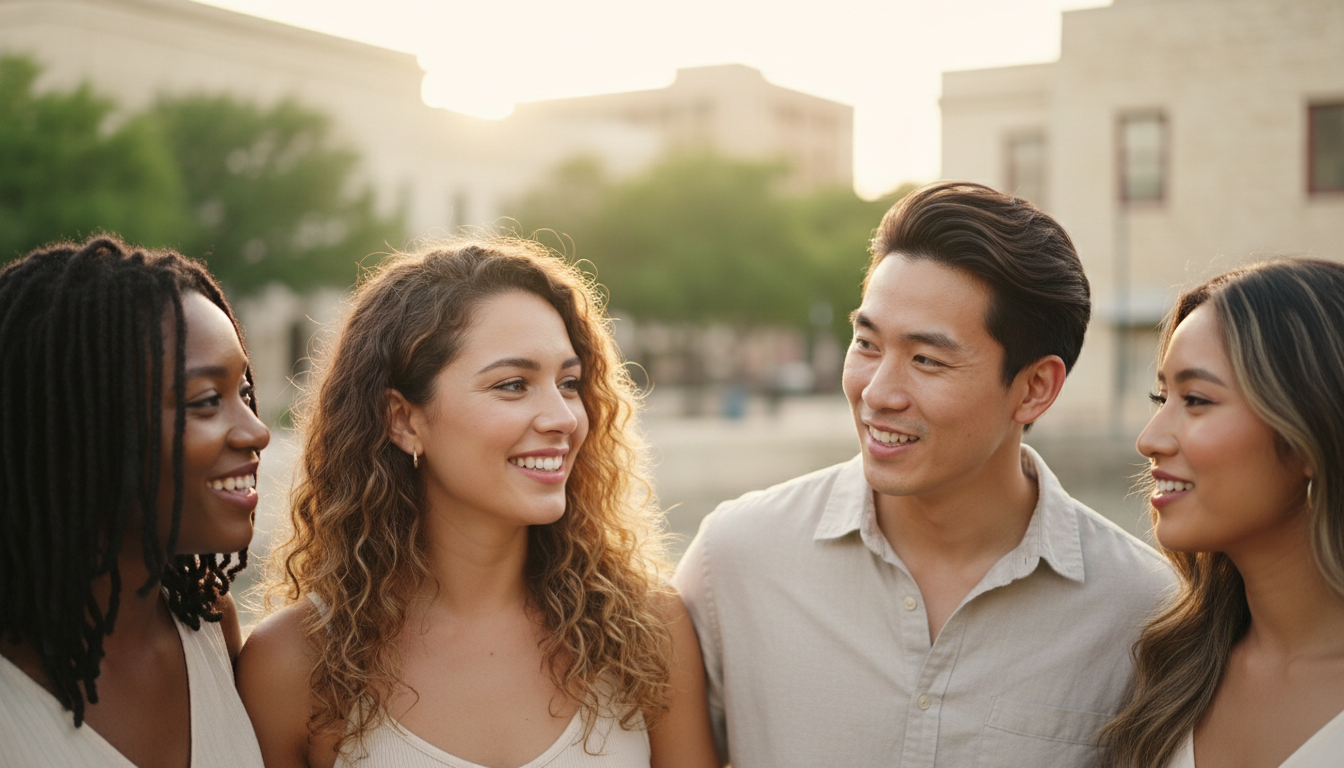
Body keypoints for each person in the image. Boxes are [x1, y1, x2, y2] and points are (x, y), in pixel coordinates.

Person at [672, 181, 1176, 767]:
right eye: (866, 343)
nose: (878, 392)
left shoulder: (1144, 614)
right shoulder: (735, 559)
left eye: (926, 360)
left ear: (1035, 388)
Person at [237, 238, 717, 768]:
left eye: (570, 382)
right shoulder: (292, 664)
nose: (563, 417)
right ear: (403, 420)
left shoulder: (647, 631)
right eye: (513, 385)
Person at [0, 236, 270, 767]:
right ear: (80, 430)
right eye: (207, 401)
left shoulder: (210, 627)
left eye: (243, 391)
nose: (257, 431)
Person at [1103, 259, 1344, 767]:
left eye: (1194, 399)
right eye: (1160, 396)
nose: (1148, 439)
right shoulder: (1168, 671)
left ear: (1310, 436)